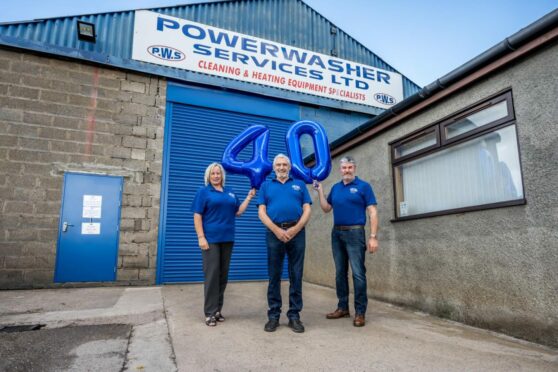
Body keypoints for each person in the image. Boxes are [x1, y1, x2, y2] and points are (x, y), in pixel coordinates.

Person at [314, 156, 378, 327]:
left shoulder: (364, 187)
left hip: (355, 233)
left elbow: (372, 212)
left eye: (350, 167)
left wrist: (372, 236)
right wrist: (320, 191)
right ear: (340, 170)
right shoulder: (335, 188)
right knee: (340, 273)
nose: (347, 170)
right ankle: (342, 308)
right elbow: (326, 209)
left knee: (358, 273)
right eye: (344, 168)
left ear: (354, 168)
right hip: (337, 234)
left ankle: (360, 312)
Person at [192, 162, 255, 327]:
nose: (215, 176)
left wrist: (249, 197)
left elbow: (238, 212)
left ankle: (218, 310)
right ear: (208, 176)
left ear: (222, 175)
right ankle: (209, 313)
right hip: (211, 239)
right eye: (212, 173)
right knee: (212, 276)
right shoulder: (203, 192)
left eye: (218, 173)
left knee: (222, 276)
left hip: (228, 239)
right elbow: (197, 216)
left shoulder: (230, 192)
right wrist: (201, 237)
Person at [257, 154, 312, 333]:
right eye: (278, 165)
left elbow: (307, 209)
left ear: (289, 167)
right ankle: (273, 316)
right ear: (274, 168)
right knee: (274, 275)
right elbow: (261, 212)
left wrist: (295, 229)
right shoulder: (266, 186)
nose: (281, 167)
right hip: (274, 233)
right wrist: (276, 230)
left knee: (296, 275)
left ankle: (294, 316)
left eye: (284, 165)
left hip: (297, 233)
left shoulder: (300, 185)